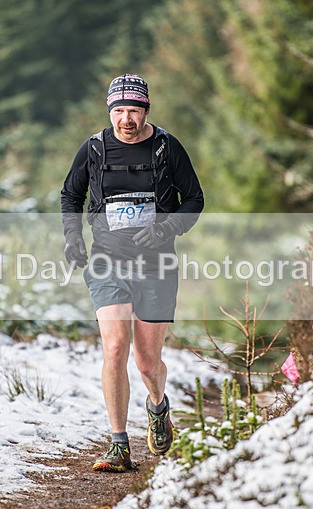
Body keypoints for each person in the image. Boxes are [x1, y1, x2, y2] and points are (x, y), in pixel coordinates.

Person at [60, 73, 204, 472]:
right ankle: (119, 444)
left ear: (146, 110)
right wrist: (73, 238)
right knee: (114, 347)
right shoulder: (94, 148)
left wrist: (165, 228)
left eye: (134, 110)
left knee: (146, 363)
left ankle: (158, 406)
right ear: (110, 111)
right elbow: (71, 194)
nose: (127, 119)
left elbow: (194, 199)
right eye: (120, 110)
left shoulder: (167, 148)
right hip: (107, 261)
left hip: (156, 264)